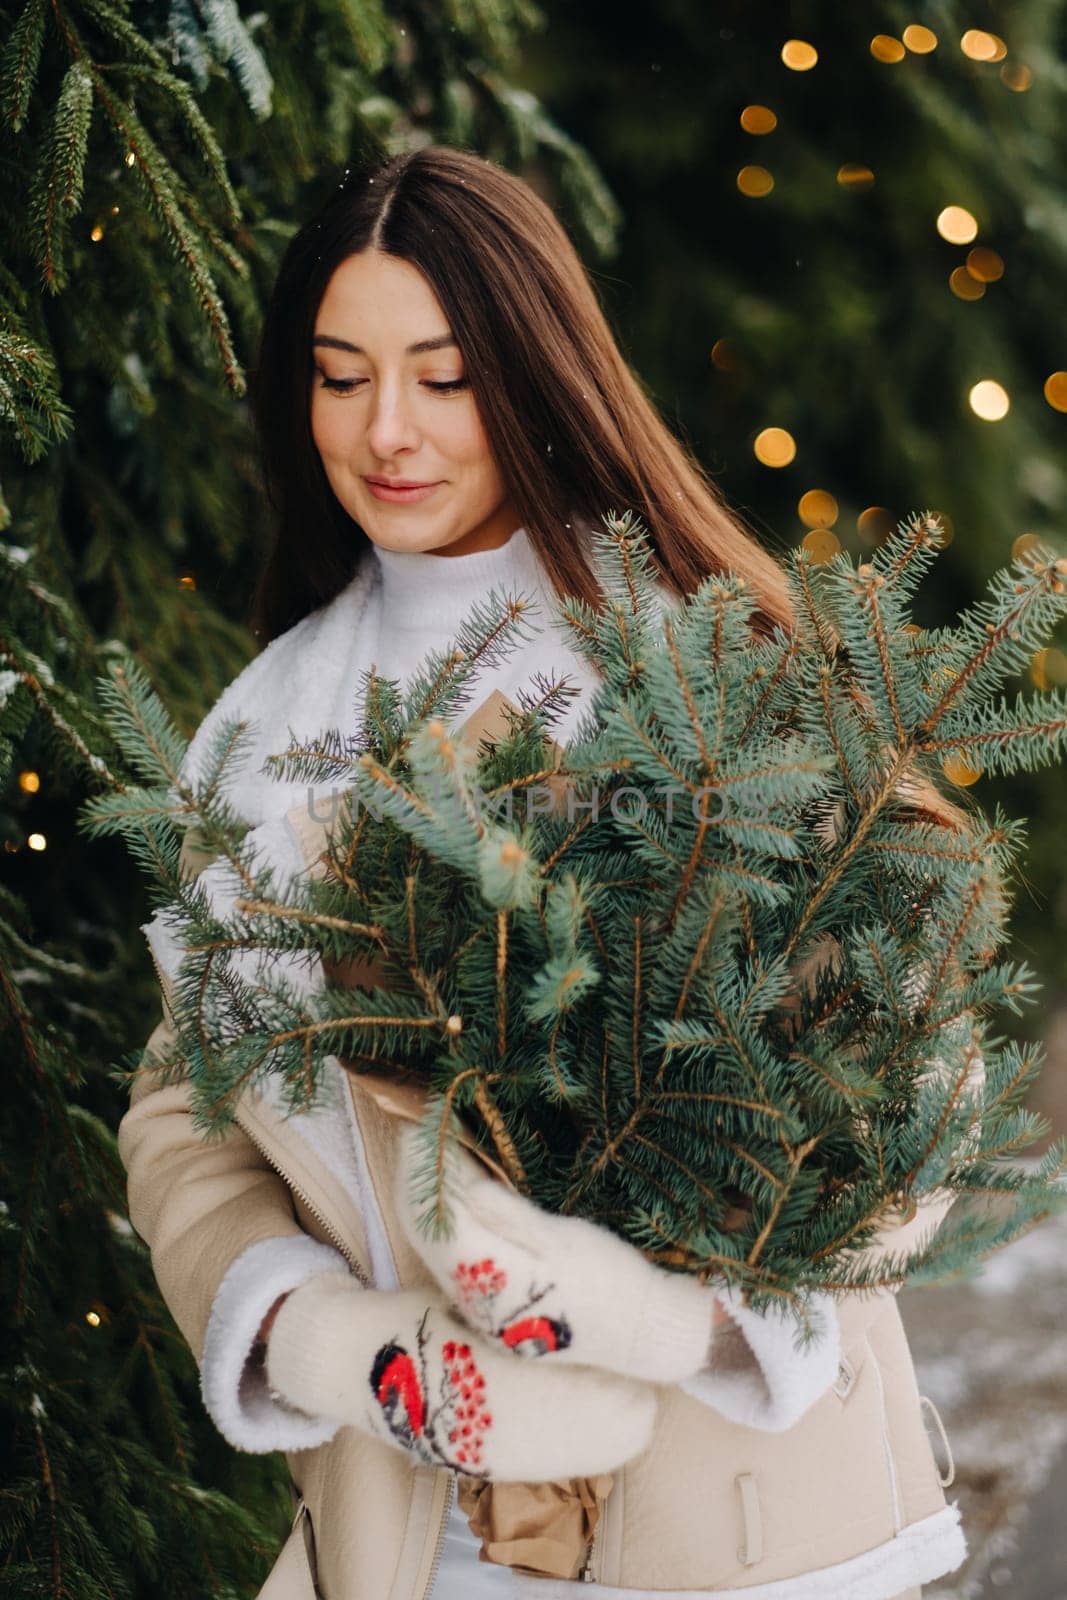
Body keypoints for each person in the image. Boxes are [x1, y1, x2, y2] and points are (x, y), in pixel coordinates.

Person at [118, 143, 972, 1600]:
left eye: (442, 377)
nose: (386, 429)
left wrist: (661, 1317)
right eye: (340, 375)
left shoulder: (703, 672)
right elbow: (185, 1107)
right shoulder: (264, 736)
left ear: (528, 371)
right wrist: (332, 1341)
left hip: (739, 1530)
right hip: (414, 1539)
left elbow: (910, 1084)